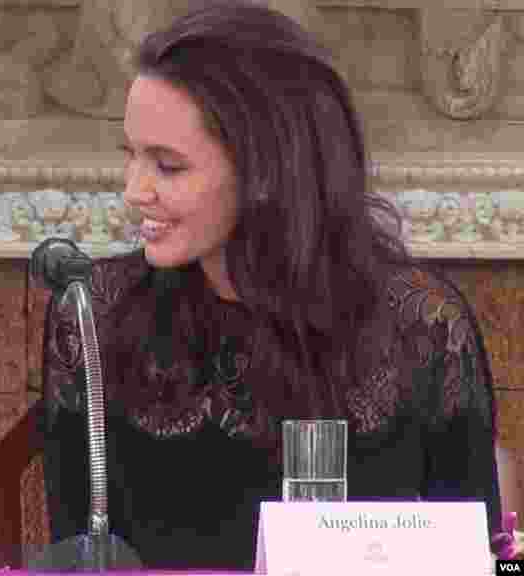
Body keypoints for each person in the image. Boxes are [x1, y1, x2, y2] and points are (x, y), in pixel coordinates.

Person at [40, 0, 501, 570]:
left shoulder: (422, 326)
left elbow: (486, 558)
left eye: (168, 166)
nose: (134, 190)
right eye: (130, 155)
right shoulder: (94, 315)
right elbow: (75, 552)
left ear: (267, 170)